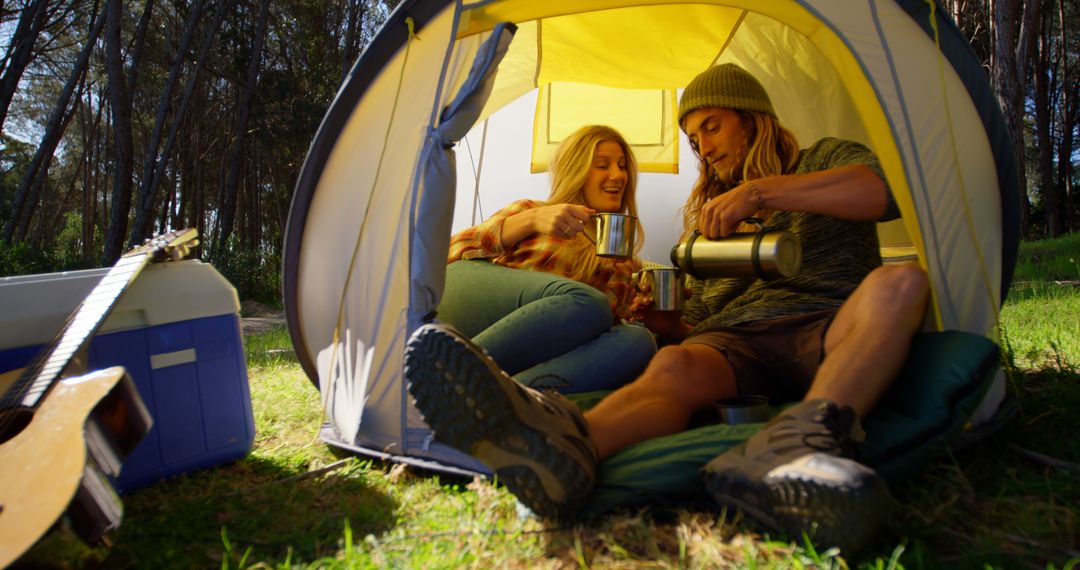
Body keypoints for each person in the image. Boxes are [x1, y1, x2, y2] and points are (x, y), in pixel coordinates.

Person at [405, 64, 930, 553]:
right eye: (693, 138)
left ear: (753, 120)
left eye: (711, 127)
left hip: (831, 317)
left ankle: (798, 444)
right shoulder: (703, 219)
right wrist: (670, 323)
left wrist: (759, 195)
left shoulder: (823, 159)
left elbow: (880, 193)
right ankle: (567, 444)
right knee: (674, 363)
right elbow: (697, 321)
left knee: (901, 282)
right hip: (739, 336)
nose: (702, 147)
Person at [435, 124, 656, 393]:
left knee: (637, 340)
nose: (618, 175)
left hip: (531, 351)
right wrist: (529, 221)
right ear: (577, 170)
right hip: (480, 315)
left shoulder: (624, 264)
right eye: (602, 165)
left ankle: (503, 400)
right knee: (589, 303)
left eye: (623, 166)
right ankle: (445, 375)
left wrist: (643, 313)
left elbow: (594, 338)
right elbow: (445, 255)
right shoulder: (534, 211)